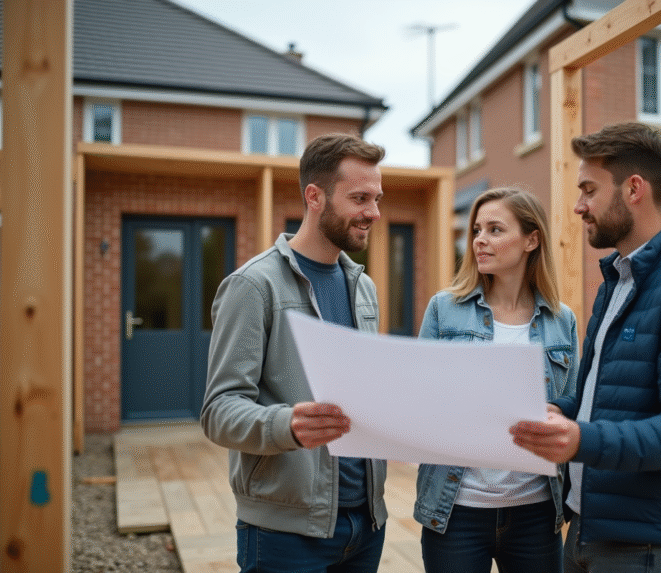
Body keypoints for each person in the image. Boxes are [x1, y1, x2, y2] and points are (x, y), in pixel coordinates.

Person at [510, 122, 661, 573]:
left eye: (589, 190)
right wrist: (559, 410)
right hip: (587, 529)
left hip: (647, 550)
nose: (579, 206)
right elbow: (598, 396)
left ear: (634, 189)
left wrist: (581, 440)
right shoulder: (617, 281)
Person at [201, 133, 388, 573]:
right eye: (360, 198)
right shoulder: (253, 286)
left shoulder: (364, 288)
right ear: (314, 196)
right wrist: (287, 424)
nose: (374, 213)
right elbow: (219, 411)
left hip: (367, 525)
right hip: (284, 533)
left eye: (377, 198)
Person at [414, 187, 579, 573]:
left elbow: (573, 401)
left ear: (531, 240)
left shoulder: (562, 319)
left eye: (495, 229)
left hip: (535, 513)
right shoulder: (444, 309)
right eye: (476, 230)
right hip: (456, 509)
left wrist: (554, 411)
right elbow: (420, 397)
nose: (480, 241)